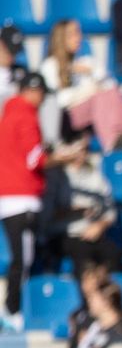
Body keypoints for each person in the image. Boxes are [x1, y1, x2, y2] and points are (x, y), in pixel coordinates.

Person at [0, 74, 65, 332]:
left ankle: (14, 308)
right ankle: (12, 310)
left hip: (8, 196)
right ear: (32, 91)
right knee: (23, 258)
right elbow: (35, 159)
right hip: (21, 197)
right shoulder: (25, 115)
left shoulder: (8, 114)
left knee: (22, 256)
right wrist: (64, 158)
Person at [41, 19, 122, 151]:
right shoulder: (50, 66)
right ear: (61, 38)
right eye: (73, 34)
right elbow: (60, 101)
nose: (78, 38)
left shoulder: (86, 62)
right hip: (66, 120)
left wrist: (91, 72)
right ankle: (113, 141)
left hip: (90, 115)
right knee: (99, 97)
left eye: (79, 33)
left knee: (111, 92)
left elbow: (110, 85)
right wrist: (89, 90)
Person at [44, 147, 122, 278]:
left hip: (91, 233)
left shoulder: (95, 176)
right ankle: (84, 296)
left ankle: (109, 295)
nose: (80, 155)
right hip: (64, 234)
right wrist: (73, 210)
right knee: (82, 253)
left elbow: (110, 210)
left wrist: (100, 226)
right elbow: (46, 215)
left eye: (84, 151)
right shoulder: (55, 177)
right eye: (76, 151)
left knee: (113, 253)